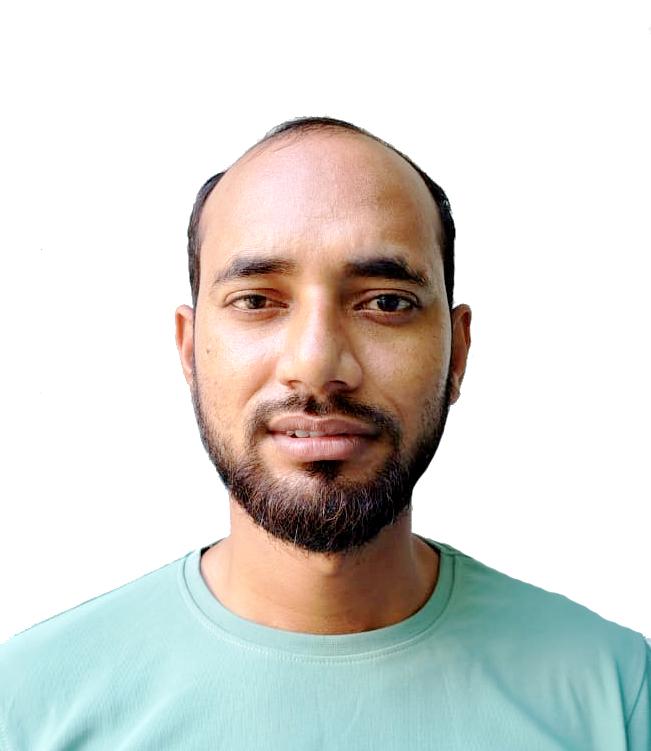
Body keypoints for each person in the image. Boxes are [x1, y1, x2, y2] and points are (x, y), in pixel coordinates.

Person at [0, 116, 648, 750]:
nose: (316, 364)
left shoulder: (617, 693)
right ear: (189, 351)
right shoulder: (25, 706)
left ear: (457, 353)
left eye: (386, 302)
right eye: (257, 300)